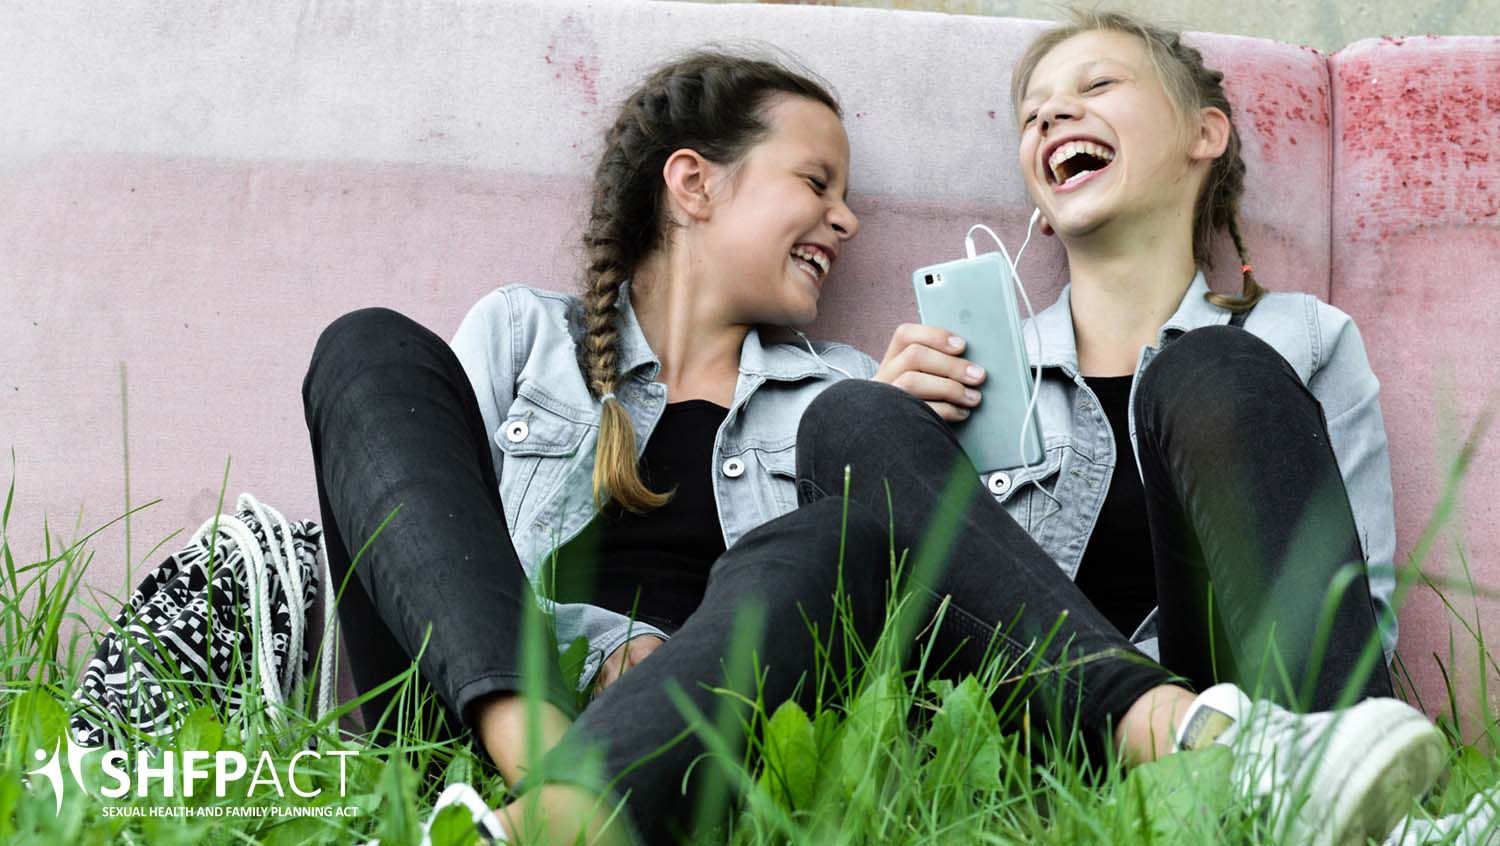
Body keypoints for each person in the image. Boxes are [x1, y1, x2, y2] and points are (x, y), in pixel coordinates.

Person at [306, 42, 1445, 846]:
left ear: (1206, 134)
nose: (845, 219)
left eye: (1094, 86)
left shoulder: (839, 389)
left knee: (889, 442)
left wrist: (891, 432)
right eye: (816, 183)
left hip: (709, 728)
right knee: (367, 348)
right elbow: (433, 548)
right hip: (483, 710)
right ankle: (549, 777)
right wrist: (597, 661)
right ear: (692, 184)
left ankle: (1296, 763)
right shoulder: (524, 332)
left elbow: (873, 622)